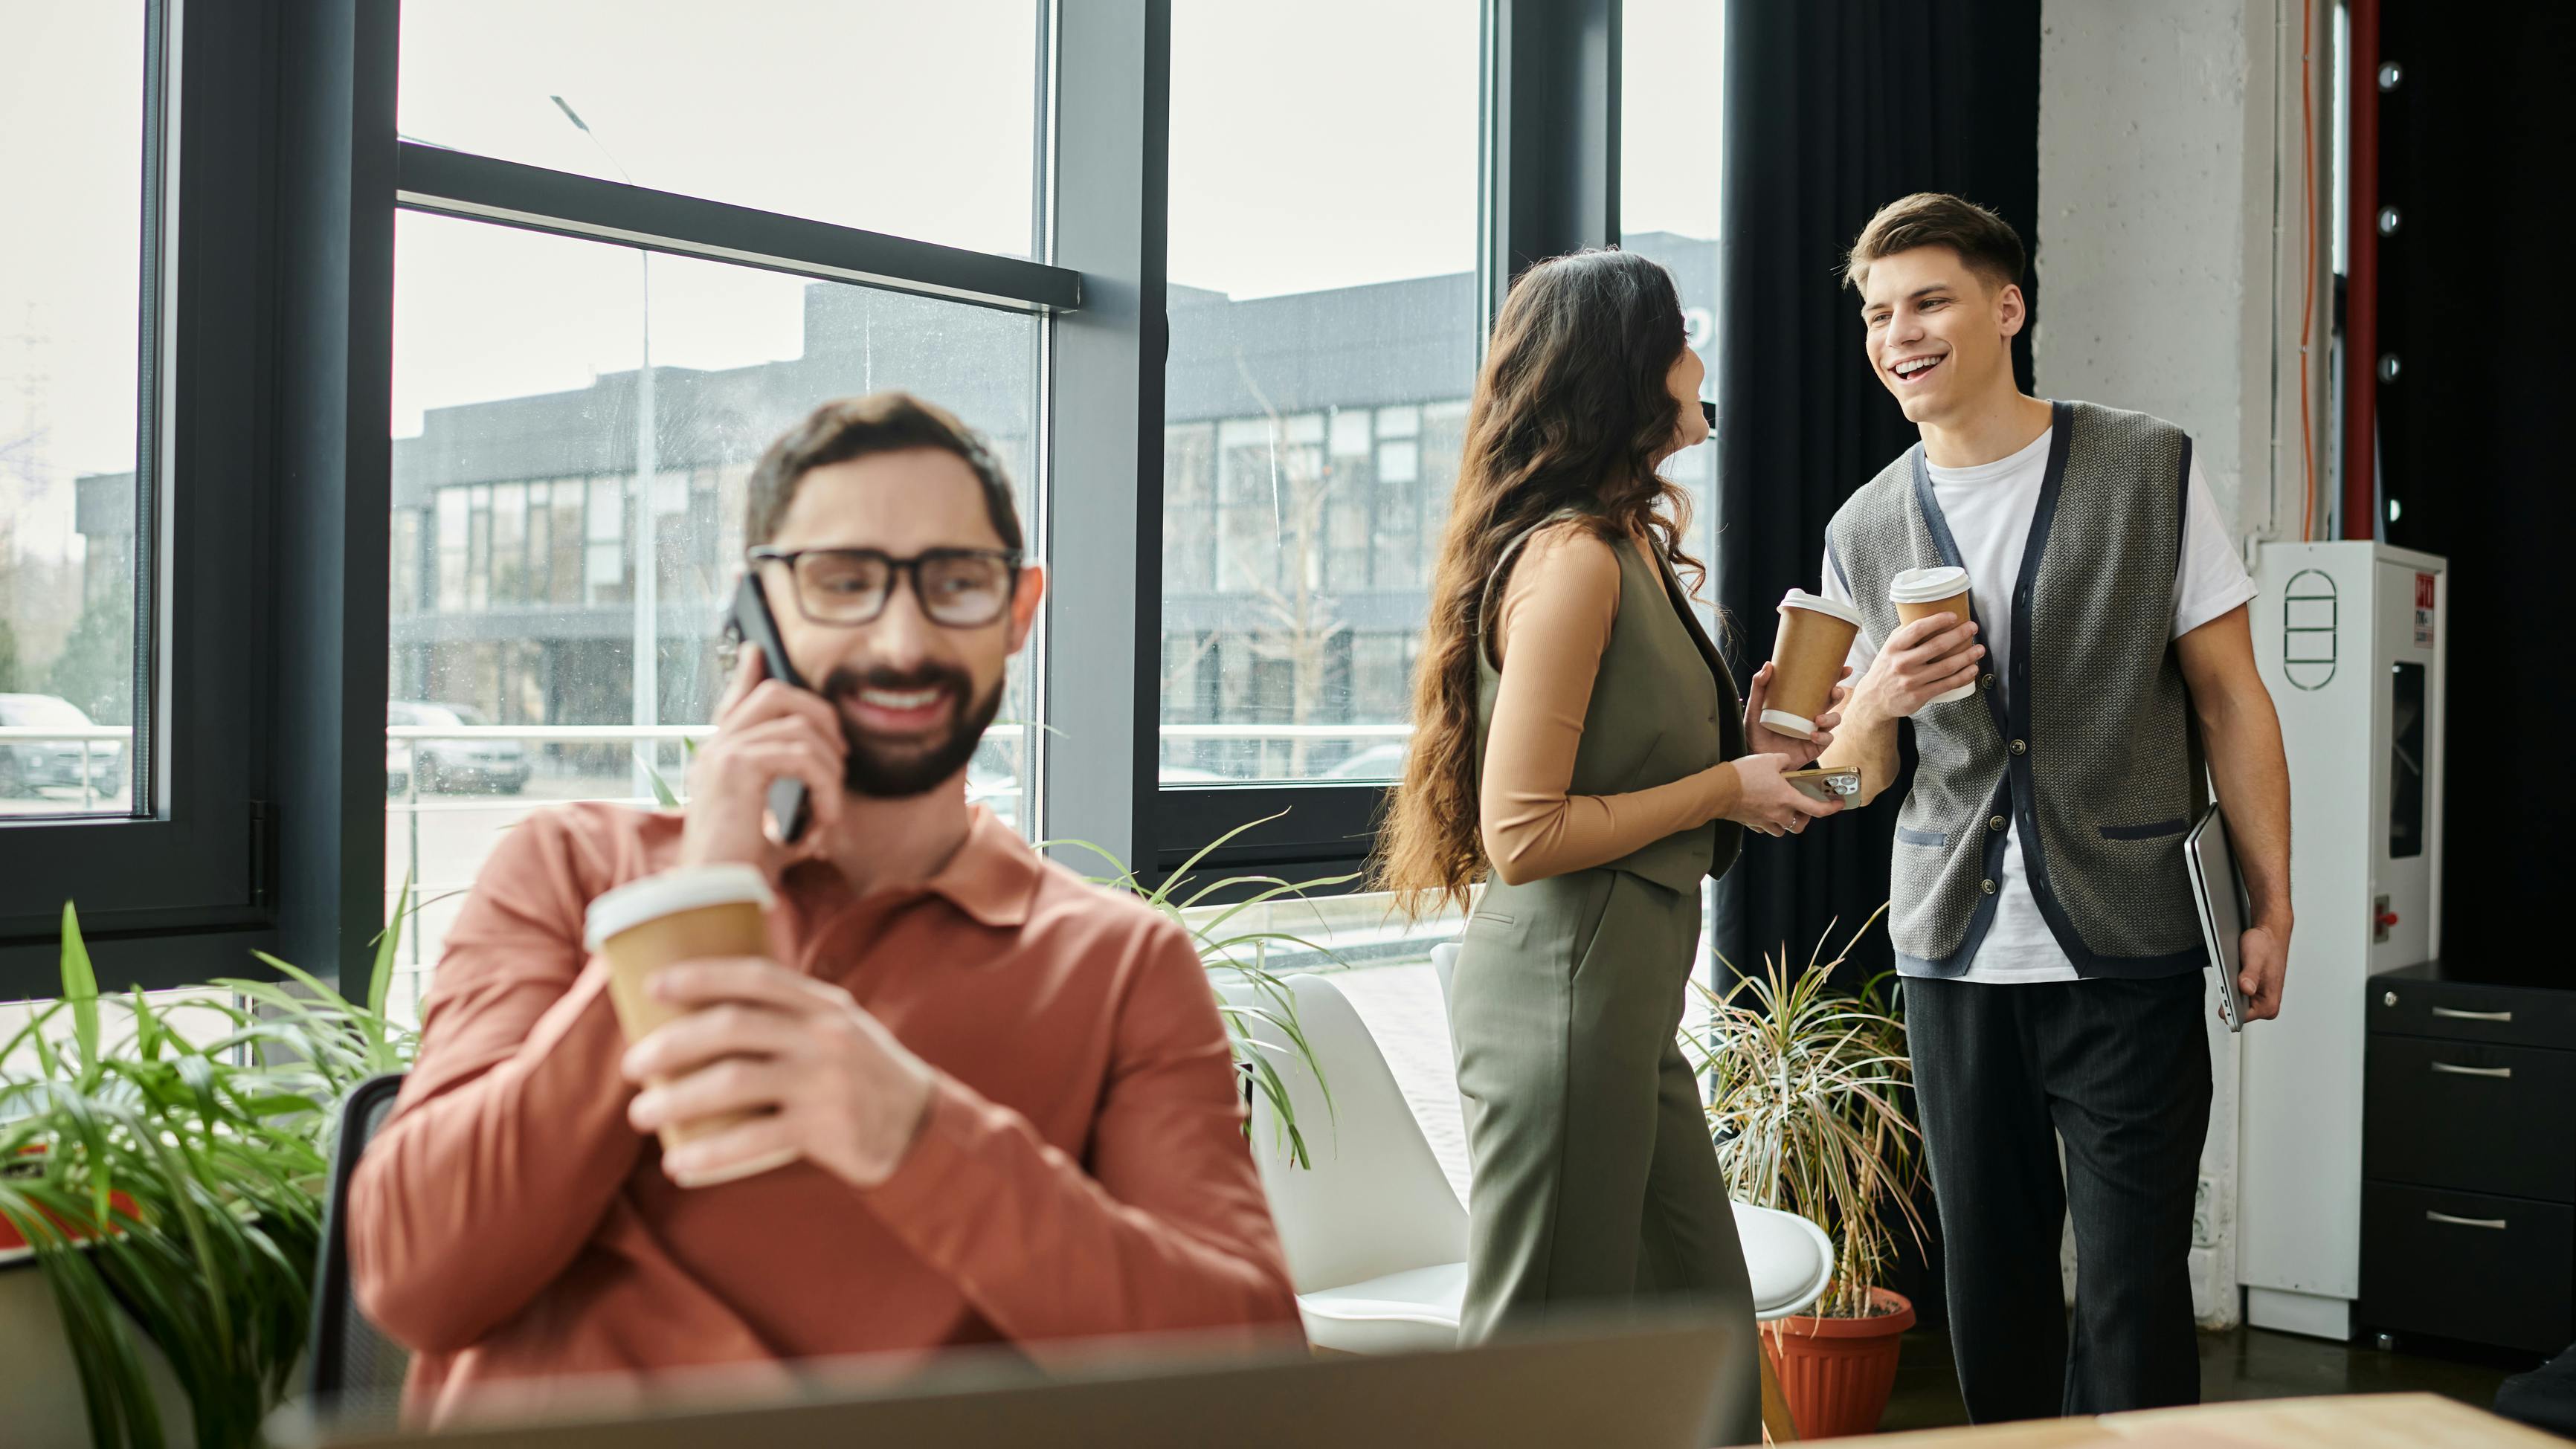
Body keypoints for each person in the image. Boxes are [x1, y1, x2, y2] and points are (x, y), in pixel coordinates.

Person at [349, 393, 1301, 1423]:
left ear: (1018, 610)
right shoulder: (568, 867)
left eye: (955, 582)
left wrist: (917, 1134)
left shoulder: (1121, 965)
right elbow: (416, 1278)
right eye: (843, 581)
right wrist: (690, 904)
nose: (901, 638)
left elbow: (1248, 1381)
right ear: (761, 604)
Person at [1815, 193, 2294, 1419]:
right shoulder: (1864, 526)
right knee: (1993, 1291)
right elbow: (1851, 774)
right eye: (1877, 314)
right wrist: (1878, 699)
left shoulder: (2147, 465)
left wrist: (2271, 904)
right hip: (1952, 954)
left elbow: (2231, 697)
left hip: (2128, 939)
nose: (1898, 335)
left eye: (1928, 301)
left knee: (2136, 1292)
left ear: (2007, 307)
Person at [1376, 248, 1846, 1448]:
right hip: (1563, 1006)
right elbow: (1523, 831)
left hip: (1621, 1011)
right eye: (1681, 339)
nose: (1699, 360)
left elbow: (1623, 763)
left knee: (1701, 1333)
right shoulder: (1575, 557)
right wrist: (1725, 786)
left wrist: (1745, 752)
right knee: (1539, 1368)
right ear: (1628, 369)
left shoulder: (1624, 542)